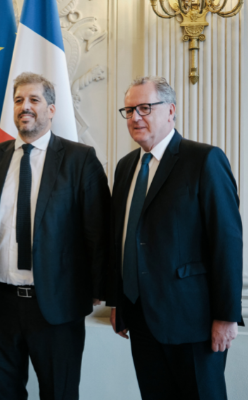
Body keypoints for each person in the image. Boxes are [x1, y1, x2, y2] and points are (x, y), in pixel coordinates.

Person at [0, 72, 110, 399]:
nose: (25, 107)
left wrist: (97, 288)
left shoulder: (79, 159)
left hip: (56, 304)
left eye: (34, 100)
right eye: (19, 100)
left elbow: (98, 229)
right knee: (3, 393)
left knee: (59, 393)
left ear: (51, 109)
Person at [106, 76, 244, 400]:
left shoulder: (204, 160)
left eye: (144, 108)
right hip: (140, 320)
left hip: (193, 322)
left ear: (171, 111)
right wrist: (118, 303)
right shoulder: (126, 167)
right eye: (128, 110)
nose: (135, 117)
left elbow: (227, 241)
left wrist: (226, 315)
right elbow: (121, 238)